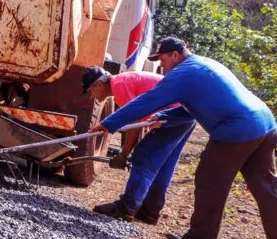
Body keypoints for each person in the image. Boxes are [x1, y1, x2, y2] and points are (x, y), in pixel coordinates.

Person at [90, 37, 277, 239]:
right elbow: (192, 108)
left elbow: (146, 101)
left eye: (163, 59)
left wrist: (109, 123)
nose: (161, 65)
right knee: (268, 187)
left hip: (237, 129)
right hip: (265, 123)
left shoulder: (182, 73)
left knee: (209, 180)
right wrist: (164, 116)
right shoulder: (202, 65)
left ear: (175, 55)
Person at [81, 66, 195, 223]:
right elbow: (140, 121)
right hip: (187, 113)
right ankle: (150, 211)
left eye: (90, 91)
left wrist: (124, 153)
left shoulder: (119, 86)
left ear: (99, 85)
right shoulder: (124, 80)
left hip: (171, 114)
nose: (91, 96)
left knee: (144, 156)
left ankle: (126, 208)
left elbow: (133, 119)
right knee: (164, 164)